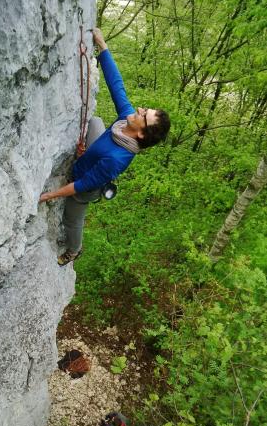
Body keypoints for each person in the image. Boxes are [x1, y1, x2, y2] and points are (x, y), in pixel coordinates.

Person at [39, 28, 171, 266]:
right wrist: (103, 45)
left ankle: (74, 250)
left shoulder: (117, 160)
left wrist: (50, 195)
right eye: (145, 109)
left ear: (141, 133)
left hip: (86, 185)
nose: (139, 109)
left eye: (144, 115)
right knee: (96, 122)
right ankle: (87, 155)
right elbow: (116, 86)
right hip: (98, 152)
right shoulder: (126, 120)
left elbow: (82, 183)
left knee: (72, 219)